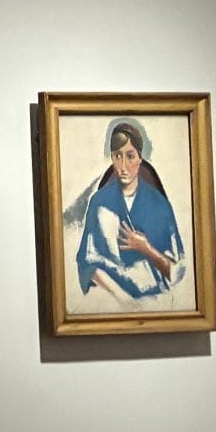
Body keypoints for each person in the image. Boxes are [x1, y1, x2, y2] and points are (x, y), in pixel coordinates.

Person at [73, 119, 185, 302]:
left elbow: (177, 271)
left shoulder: (160, 205)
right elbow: (87, 264)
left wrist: (146, 248)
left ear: (140, 158)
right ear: (112, 158)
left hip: (155, 299)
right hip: (113, 298)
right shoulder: (99, 203)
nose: (123, 165)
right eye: (117, 156)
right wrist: (121, 298)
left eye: (130, 156)